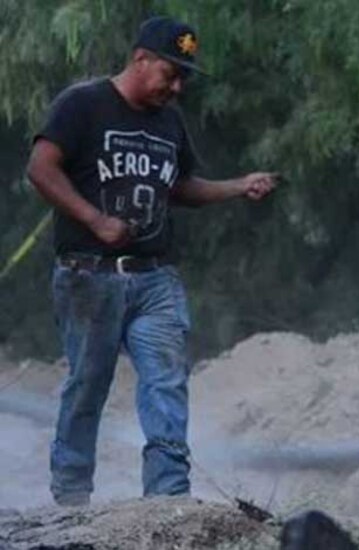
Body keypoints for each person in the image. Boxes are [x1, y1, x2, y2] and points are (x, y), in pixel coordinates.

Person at [25, 16, 277, 506]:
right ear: (141, 59)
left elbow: (179, 186)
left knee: (166, 380)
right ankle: (71, 497)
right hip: (88, 275)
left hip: (154, 277)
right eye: (171, 73)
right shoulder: (82, 104)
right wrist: (96, 221)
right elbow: (40, 168)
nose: (177, 86)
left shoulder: (169, 122)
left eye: (184, 77)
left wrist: (237, 185)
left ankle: (168, 498)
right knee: (87, 386)